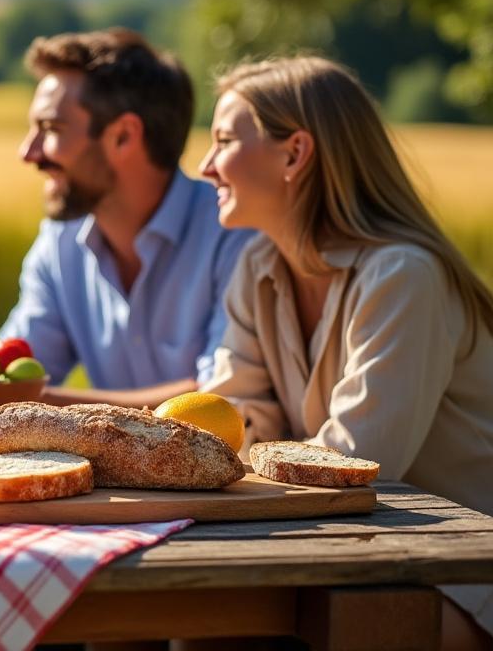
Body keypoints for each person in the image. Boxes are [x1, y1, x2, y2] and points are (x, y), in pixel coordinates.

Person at [199, 56, 493, 648]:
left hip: (459, 571)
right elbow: (228, 429)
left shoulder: (402, 276)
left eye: (225, 140)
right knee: (195, 622)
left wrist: (235, 463)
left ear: (294, 154)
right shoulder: (257, 268)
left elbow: (354, 465)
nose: (205, 167)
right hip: (352, 550)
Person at [0, 28, 253, 407]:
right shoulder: (59, 243)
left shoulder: (234, 235)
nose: (28, 152)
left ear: (123, 136)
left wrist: (37, 407)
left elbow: (220, 400)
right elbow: (12, 370)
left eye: (51, 129)